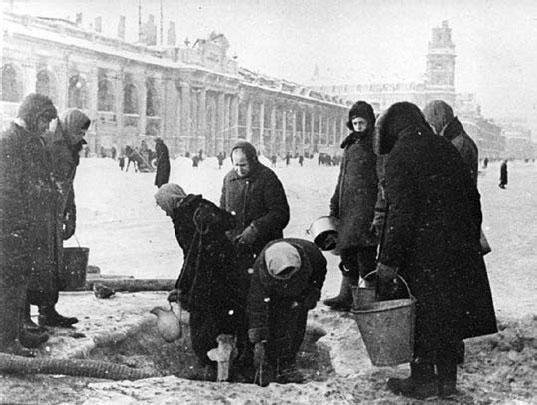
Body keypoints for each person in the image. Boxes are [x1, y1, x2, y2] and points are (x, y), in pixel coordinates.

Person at [375, 102, 497, 399]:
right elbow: (473, 200)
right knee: (448, 319)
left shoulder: (400, 156)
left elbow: (401, 215)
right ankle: (447, 383)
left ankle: (423, 383)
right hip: (455, 252)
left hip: (421, 255)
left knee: (420, 318)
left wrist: (389, 261)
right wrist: (463, 238)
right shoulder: (445, 148)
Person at [0, 94, 58, 355]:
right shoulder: (9, 141)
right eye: (46, 121)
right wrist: (17, 225)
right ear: (35, 117)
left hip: (23, 225)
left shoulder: (26, 140)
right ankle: (5, 340)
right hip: (10, 226)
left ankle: (16, 332)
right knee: (9, 282)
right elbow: (7, 190)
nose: (47, 127)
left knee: (20, 279)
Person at [28, 109, 90, 330]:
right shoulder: (48, 143)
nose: (80, 135)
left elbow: (69, 184)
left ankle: (48, 310)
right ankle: (26, 315)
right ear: (68, 126)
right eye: (78, 130)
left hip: (56, 213)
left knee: (53, 263)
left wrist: (71, 213)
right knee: (37, 263)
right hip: (40, 213)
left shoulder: (72, 147)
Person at [247, 239, 327, 386]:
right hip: (273, 295)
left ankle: (287, 362)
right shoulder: (260, 271)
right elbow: (257, 306)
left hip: (300, 291)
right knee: (274, 321)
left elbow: (318, 276)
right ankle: (270, 362)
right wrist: (258, 338)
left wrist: (312, 294)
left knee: (296, 323)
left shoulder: (313, 256)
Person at [323, 101, 379, 311]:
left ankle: (371, 302)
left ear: (370, 122)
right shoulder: (350, 144)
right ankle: (346, 295)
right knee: (347, 253)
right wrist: (335, 202)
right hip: (347, 210)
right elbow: (342, 177)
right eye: (354, 123)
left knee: (366, 257)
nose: (358, 126)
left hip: (365, 210)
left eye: (362, 122)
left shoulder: (376, 145)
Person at [220, 141, 290, 268]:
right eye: (236, 165)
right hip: (236, 249)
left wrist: (256, 229)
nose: (239, 169)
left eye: (243, 165)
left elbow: (281, 214)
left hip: (263, 247)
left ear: (253, 160)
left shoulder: (267, 178)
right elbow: (223, 211)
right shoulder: (229, 179)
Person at [423, 100, 478, 184]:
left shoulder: (458, 143)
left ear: (441, 118)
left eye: (431, 121)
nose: (430, 126)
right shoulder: (456, 139)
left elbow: (448, 179)